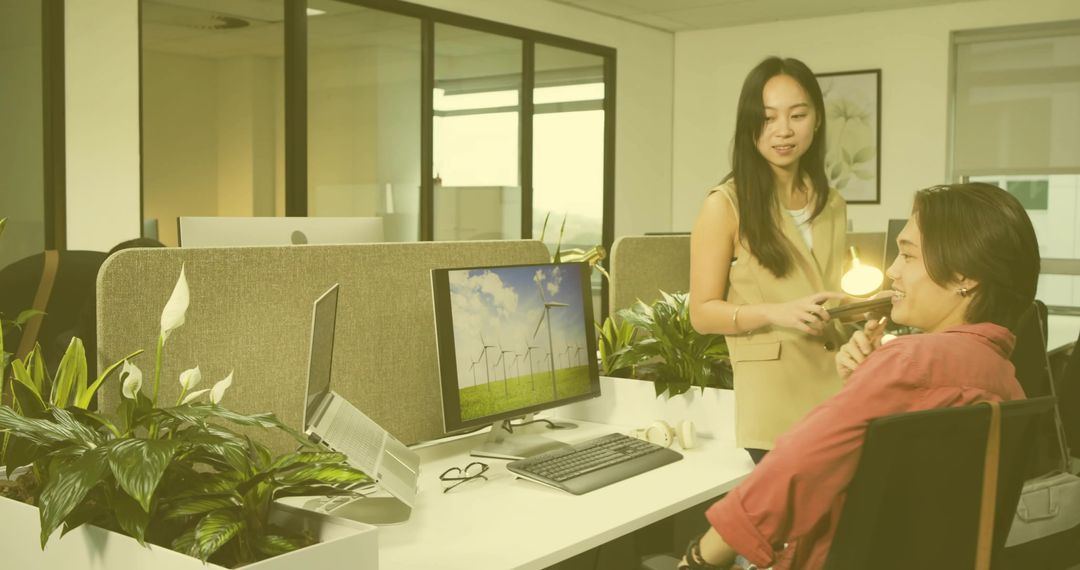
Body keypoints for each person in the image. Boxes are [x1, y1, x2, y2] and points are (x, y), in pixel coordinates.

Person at [678, 182, 1040, 570]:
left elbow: (796, 467)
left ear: (963, 276)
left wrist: (700, 558)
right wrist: (866, 382)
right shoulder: (1005, 379)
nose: (892, 270)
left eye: (908, 256)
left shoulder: (910, 361)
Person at [689, 56, 853, 464]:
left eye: (798, 115)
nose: (783, 130)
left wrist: (864, 307)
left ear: (816, 120)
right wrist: (776, 312)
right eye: (767, 118)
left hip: (839, 390)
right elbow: (702, 313)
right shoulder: (724, 204)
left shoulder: (831, 202)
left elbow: (829, 294)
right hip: (775, 402)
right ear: (749, 126)